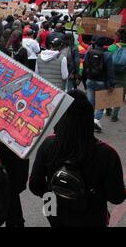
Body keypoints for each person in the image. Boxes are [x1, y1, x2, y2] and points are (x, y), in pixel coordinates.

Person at [29, 89, 125, 227]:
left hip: (54, 212)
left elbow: (34, 185)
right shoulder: (107, 154)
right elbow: (117, 197)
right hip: (91, 217)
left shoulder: (48, 145)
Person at [84, 36, 116, 131]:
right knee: (101, 104)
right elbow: (110, 71)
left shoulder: (89, 52)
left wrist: (84, 79)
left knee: (90, 102)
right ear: (105, 44)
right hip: (102, 82)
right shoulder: (107, 55)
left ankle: (88, 121)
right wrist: (112, 84)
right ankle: (95, 121)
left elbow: (85, 65)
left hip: (90, 80)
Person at [107, 27, 126, 122]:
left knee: (109, 91)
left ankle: (107, 109)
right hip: (123, 77)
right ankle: (114, 116)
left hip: (111, 74)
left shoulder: (112, 47)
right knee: (120, 95)